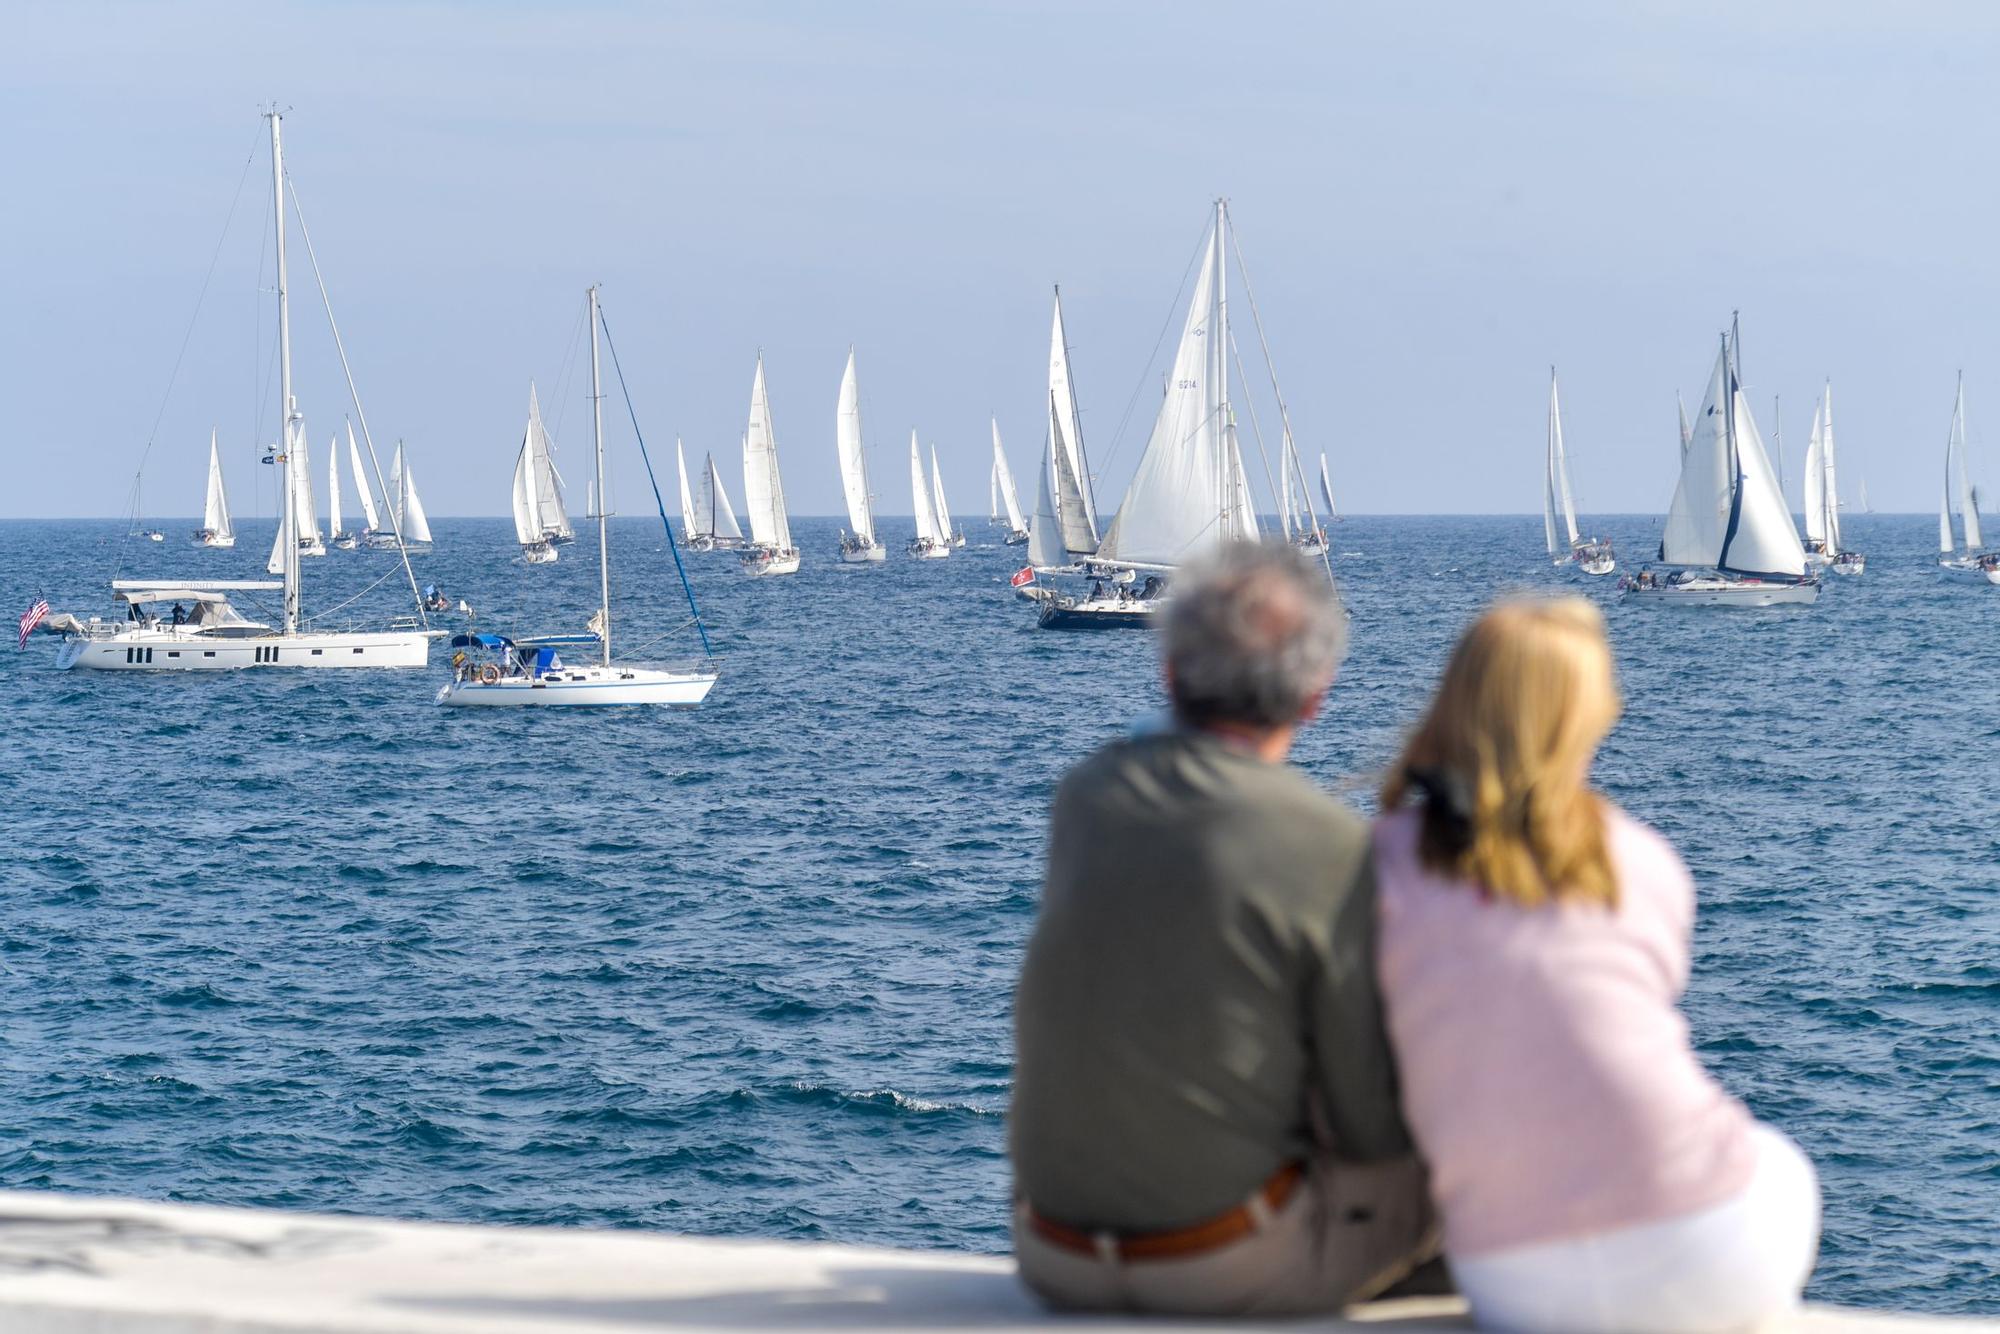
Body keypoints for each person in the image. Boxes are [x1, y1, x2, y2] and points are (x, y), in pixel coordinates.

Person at [1011, 540, 1436, 1317]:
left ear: (1169, 674)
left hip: (1052, 1251)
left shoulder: (1087, 797)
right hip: (1216, 1262)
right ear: (1315, 696)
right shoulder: (1326, 843)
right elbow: (1366, 1119)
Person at [1372, 599, 1819, 1334]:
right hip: (1712, 1253)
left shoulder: (1383, 864)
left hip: (1514, 1281)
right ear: (1588, 718)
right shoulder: (1637, 859)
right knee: (1778, 1162)